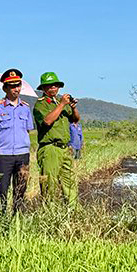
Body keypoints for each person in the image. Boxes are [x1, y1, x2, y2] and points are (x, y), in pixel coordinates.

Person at [0, 69, 34, 215]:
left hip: (22, 154)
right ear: (5, 88)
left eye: (18, 85)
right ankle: (0, 221)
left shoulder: (25, 108)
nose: (16, 89)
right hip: (3, 155)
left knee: (20, 189)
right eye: (12, 86)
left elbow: (28, 130)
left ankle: (17, 218)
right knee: (1, 190)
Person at [33, 72, 80, 205]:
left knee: (69, 182)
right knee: (49, 184)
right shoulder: (40, 105)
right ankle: (49, 214)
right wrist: (61, 105)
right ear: (43, 88)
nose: (52, 88)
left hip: (64, 148)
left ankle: (73, 213)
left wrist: (73, 107)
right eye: (49, 86)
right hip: (50, 149)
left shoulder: (61, 103)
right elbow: (47, 121)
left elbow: (75, 119)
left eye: (55, 86)